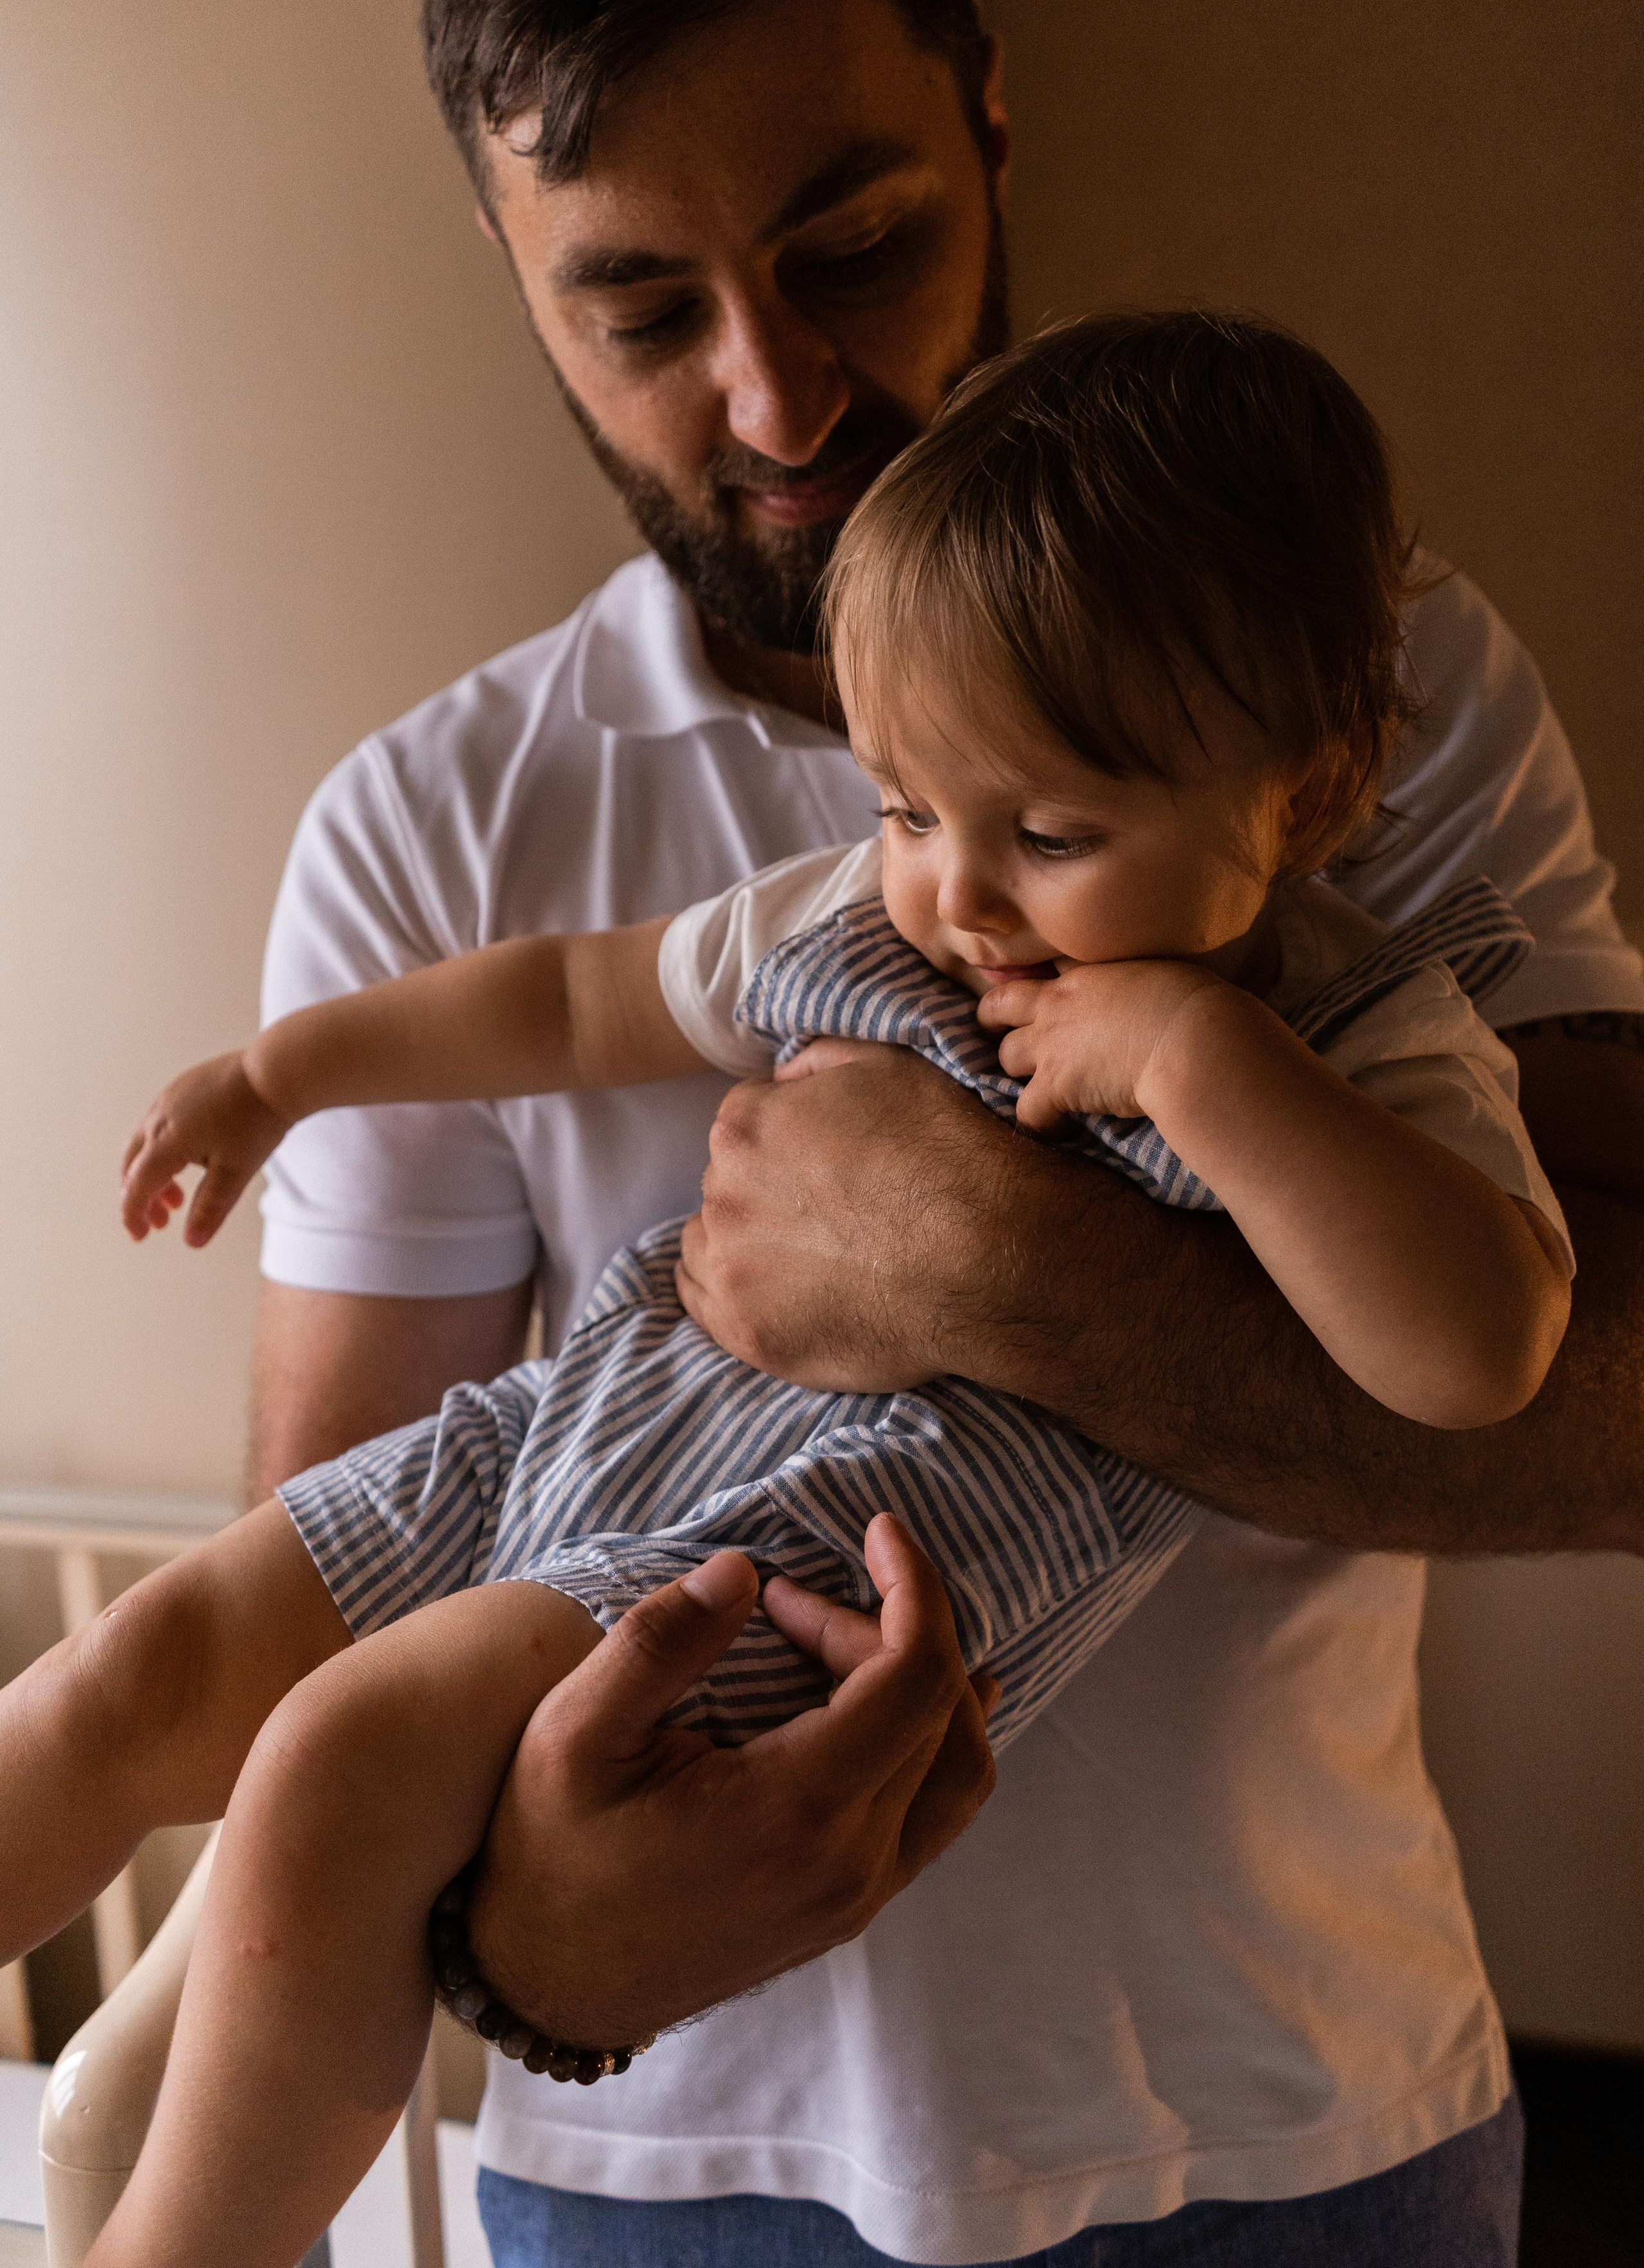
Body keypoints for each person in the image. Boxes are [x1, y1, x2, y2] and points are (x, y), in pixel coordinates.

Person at [226, 0, 1644, 2263]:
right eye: (641, 310)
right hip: (668, 2180)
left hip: (1305, 2131)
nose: (779, 400)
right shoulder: (431, 831)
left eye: (852, 245)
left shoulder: (1369, 688)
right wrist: (542, 1955)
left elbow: (1612, 1416)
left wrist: (998, 1264)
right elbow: (327, 1624)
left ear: (989, 120)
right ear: (513, 269)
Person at [7, 312, 1575, 2268]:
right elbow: (571, 998)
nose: (960, 894)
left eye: (1055, 834)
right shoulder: (864, 909)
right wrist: (280, 1075)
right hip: (591, 1418)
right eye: (911, 806)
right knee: (132, 1670)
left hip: (804, 1555)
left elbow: (1480, 1353)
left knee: (335, 1765)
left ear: (1310, 792)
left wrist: (1201, 1065)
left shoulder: (1372, 1041)